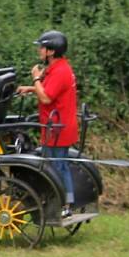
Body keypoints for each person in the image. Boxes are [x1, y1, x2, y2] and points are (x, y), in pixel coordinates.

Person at [16, 30, 78, 218]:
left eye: (41, 47)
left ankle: (67, 204)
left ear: (51, 51)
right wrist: (29, 88)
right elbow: (50, 90)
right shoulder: (57, 68)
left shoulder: (60, 71)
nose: (39, 50)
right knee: (58, 164)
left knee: (59, 166)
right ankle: (62, 201)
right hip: (56, 125)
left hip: (59, 128)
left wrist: (35, 78)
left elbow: (45, 97)